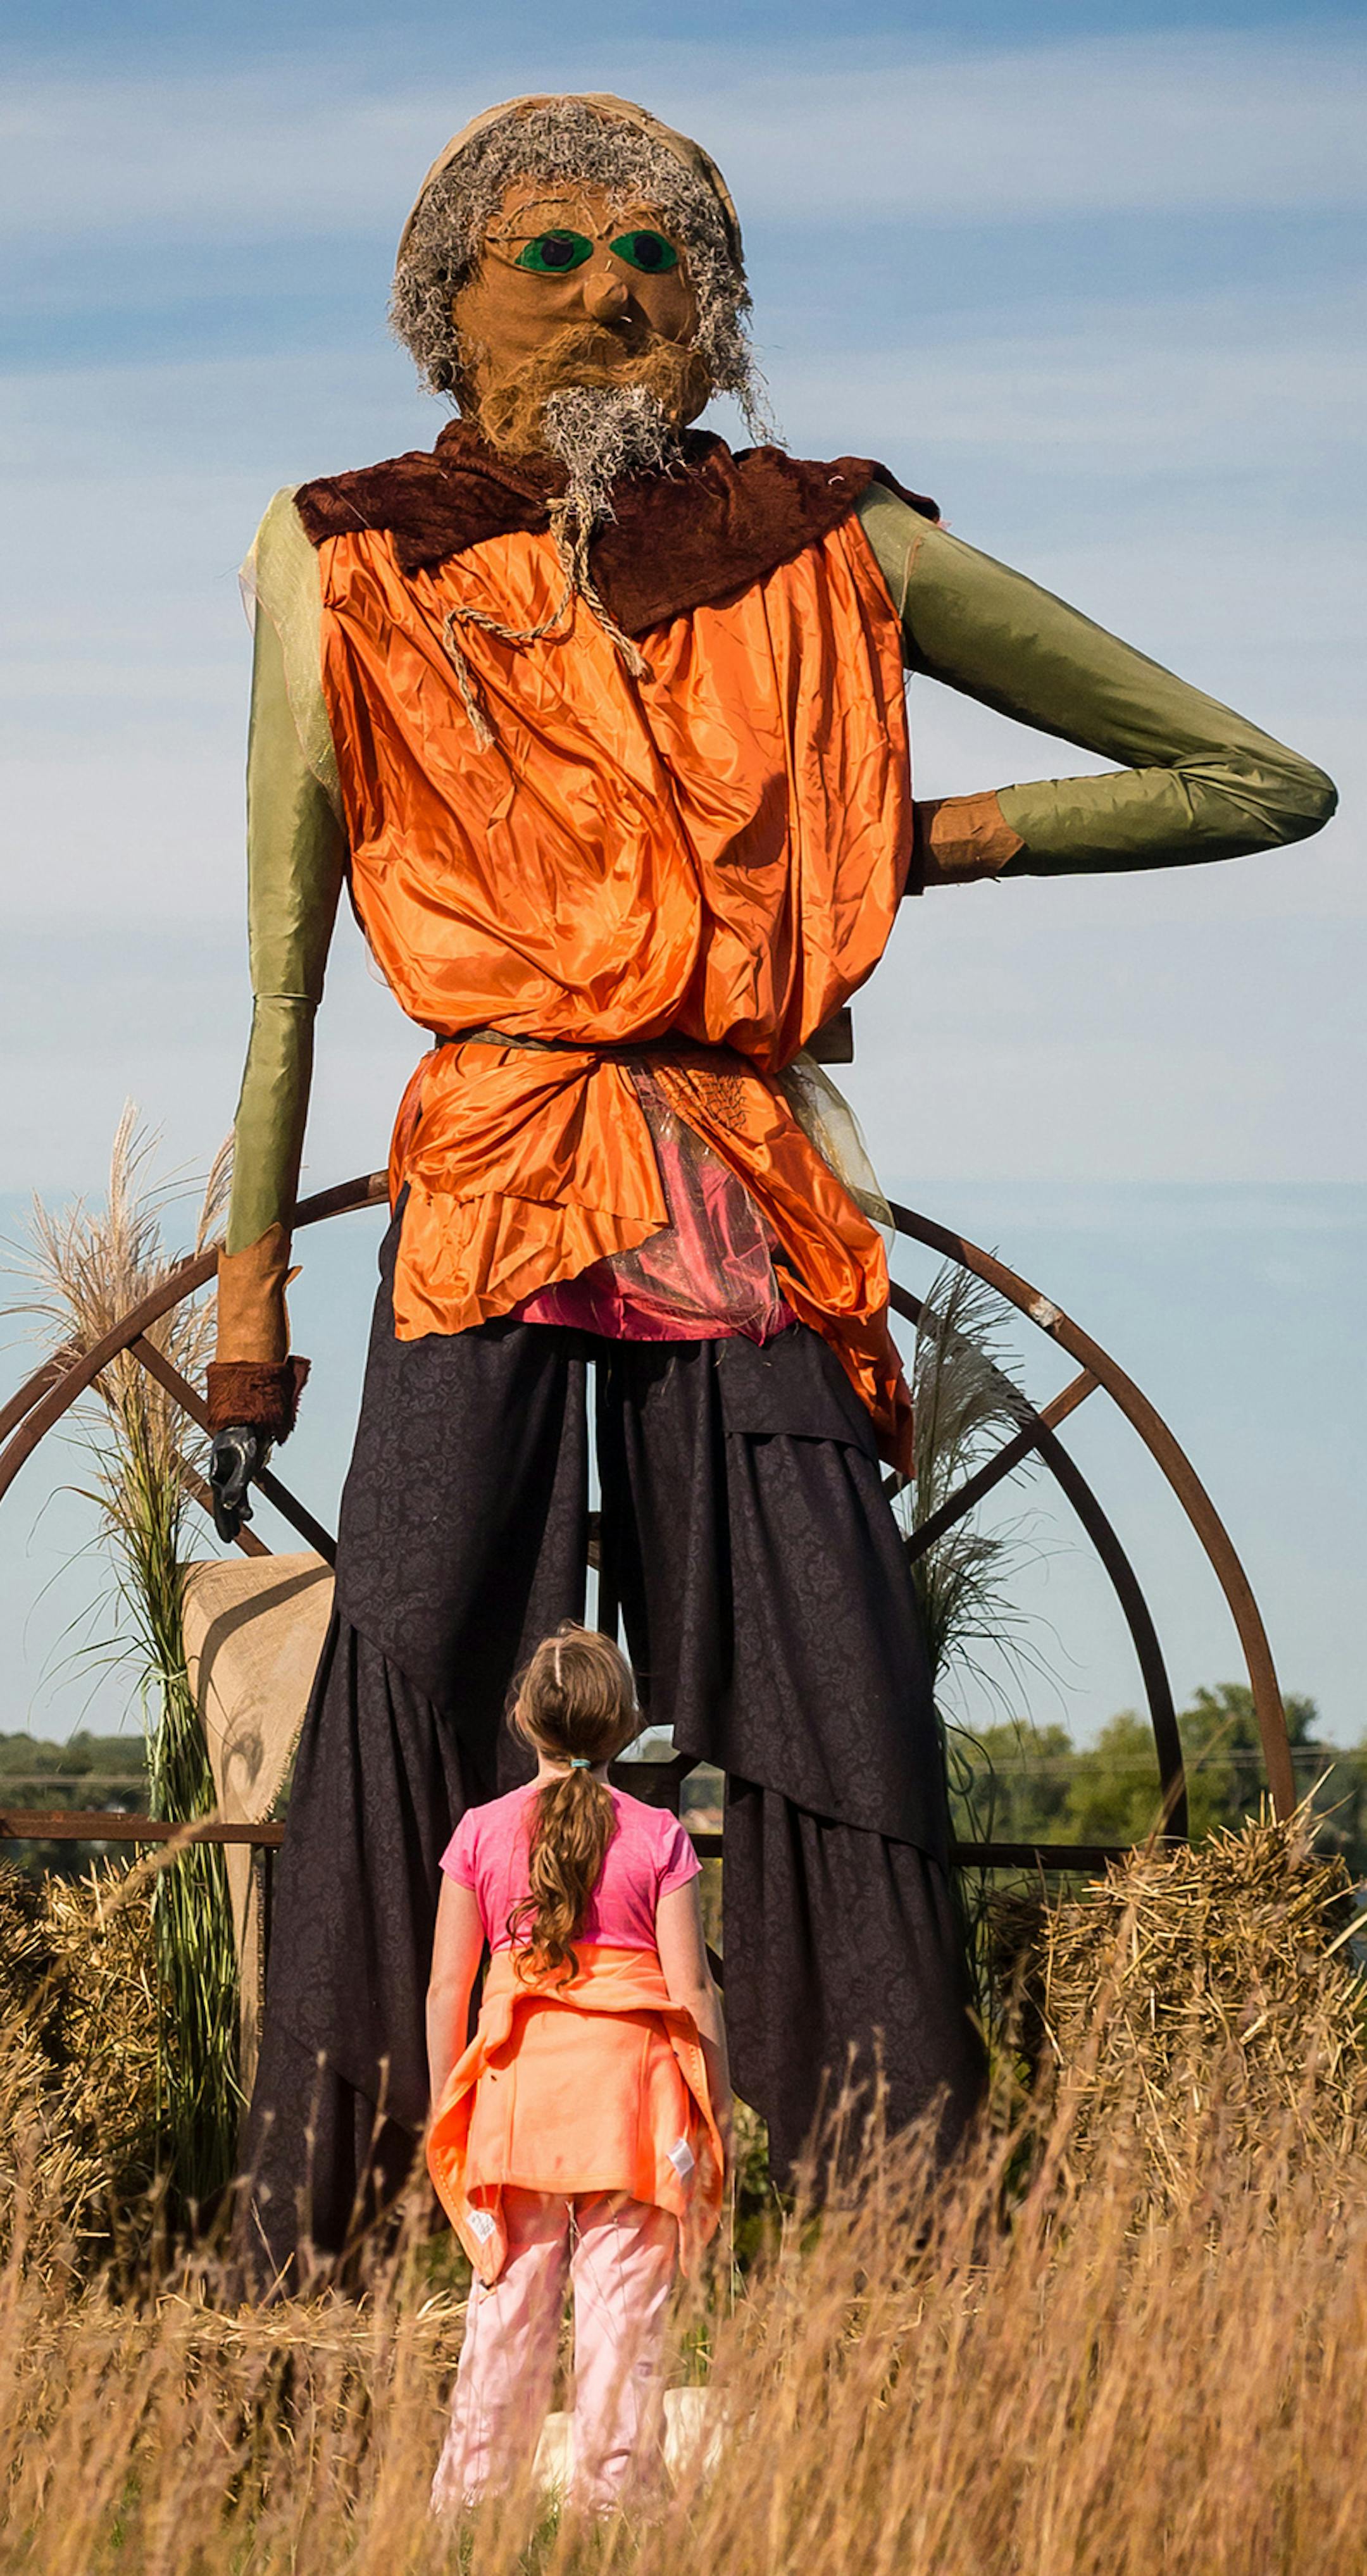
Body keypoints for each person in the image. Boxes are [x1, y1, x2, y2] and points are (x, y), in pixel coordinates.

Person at [213, 92, 1336, 2286]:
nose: (613, 292)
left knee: (839, 1687)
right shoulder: (344, 550)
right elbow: (284, 969)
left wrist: (917, 833)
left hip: (738, 1192)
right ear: (446, 312)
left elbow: (1262, 780)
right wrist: (250, 1304)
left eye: (662, 258)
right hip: (497, 1181)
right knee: (410, 1677)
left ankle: (903, 2257)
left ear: (724, 323)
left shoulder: (831, 546)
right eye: (549, 255)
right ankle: (316, 2246)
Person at [424, 1622, 729, 2516]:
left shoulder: (479, 1834)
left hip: (517, 2113)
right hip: (636, 2118)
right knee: (622, 2331)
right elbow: (696, 1992)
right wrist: (717, 2118)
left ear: (524, 1720)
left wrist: (457, 2105)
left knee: (504, 2329)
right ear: (627, 1724)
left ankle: (474, 2518)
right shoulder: (662, 1836)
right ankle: (614, 2518)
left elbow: (449, 1986)